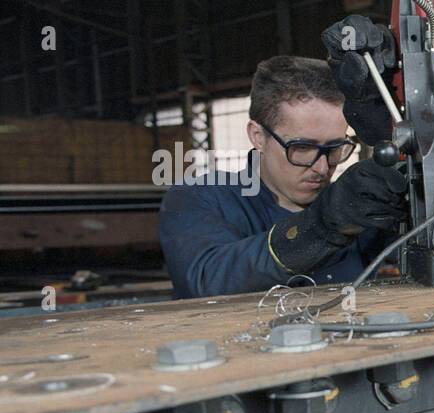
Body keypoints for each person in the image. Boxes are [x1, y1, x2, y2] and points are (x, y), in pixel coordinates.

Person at [158, 49, 407, 299]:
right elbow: (206, 280)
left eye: (335, 149)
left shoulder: (352, 205)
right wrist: (320, 228)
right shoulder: (200, 198)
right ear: (258, 136)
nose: (322, 169)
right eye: (302, 148)